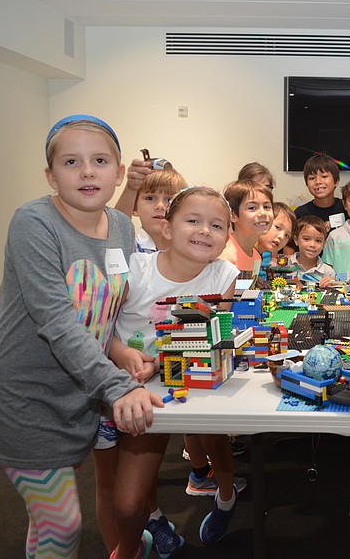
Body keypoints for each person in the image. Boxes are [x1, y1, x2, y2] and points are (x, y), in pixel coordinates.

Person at [0, 114, 162, 559]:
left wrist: (118, 352)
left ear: (118, 174)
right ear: (50, 175)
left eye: (99, 161)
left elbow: (101, 307)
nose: (86, 172)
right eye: (70, 162)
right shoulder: (33, 223)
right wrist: (116, 384)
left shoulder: (119, 226)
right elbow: (57, 319)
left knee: (46, 526)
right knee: (62, 524)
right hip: (24, 394)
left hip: (77, 392)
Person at [105, 186, 242, 556]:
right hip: (141, 391)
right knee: (128, 502)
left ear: (227, 235)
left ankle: (226, 500)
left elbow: (219, 337)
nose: (204, 231)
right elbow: (98, 330)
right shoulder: (136, 270)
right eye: (193, 221)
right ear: (166, 228)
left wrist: (167, 360)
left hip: (195, 383)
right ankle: (148, 529)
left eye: (217, 225)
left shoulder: (224, 274)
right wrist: (122, 355)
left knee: (214, 440)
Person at [122, 166, 187, 253]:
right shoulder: (128, 248)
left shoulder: (191, 248)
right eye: (150, 198)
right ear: (134, 207)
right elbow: (117, 227)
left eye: (169, 200)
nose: (160, 206)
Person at [219, 179, 274, 280]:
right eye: (252, 208)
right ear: (233, 215)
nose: (263, 213)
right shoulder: (225, 256)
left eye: (266, 207)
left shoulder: (256, 256)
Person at [293, 153, 348, 232]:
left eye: (324, 176)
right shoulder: (300, 214)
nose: (318, 182)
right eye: (312, 178)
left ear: (336, 181)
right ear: (306, 184)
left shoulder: (347, 209)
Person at [290, 215, 336, 287]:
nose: (312, 245)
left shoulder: (328, 272)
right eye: (306, 239)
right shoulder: (285, 266)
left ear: (324, 244)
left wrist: (333, 284)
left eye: (318, 241)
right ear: (296, 240)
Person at [257, 202, 296, 282]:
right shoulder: (239, 252)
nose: (281, 237)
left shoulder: (261, 255)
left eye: (287, 236)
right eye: (278, 227)